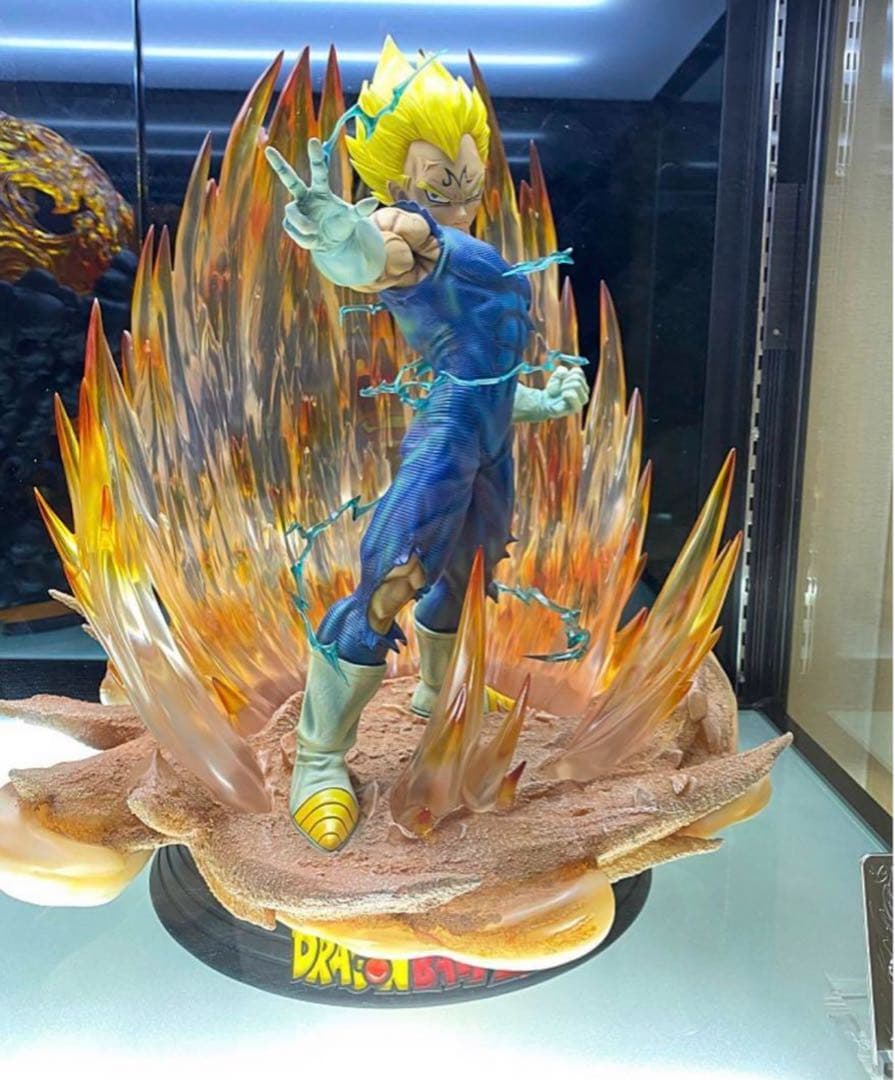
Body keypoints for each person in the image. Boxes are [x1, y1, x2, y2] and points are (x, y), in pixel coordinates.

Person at [267, 38, 588, 851]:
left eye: (468, 171)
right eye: (441, 175)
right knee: (392, 581)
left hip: (485, 436)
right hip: (446, 438)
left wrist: (541, 400)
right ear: (397, 177)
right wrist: (331, 232)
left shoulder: (471, 249)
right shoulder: (407, 232)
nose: (461, 188)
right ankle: (318, 757)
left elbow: (485, 374)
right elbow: (368, 253)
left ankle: (439, 694)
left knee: (470, 575)